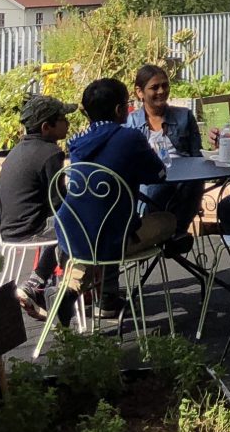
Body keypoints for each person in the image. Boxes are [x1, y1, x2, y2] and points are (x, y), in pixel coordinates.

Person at [56, 78, 184, 316]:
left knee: (102, 224)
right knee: (166, 220)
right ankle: (179, 249)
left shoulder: (76, 143)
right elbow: (157, 174)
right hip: (115, 236)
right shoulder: (130, 138)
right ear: (119, 110)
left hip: (72, 231)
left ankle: (77, 289)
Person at [0, 93, 75, 319]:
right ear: (46, 127)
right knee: (74, 227)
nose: (68, 123)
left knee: (62, 225)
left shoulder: (18, 150)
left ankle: (34, 285)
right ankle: (50, 288)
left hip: (6, 227)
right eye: (62, 118)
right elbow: (59, 202)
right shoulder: (51, 153)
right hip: (29, 229)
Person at [127, 63, 202, 160]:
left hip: (183, 173)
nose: (161, 91)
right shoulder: (129, 123)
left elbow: (197, 157)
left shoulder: (185, 116)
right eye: (154, 87)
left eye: (165, 85)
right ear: (140, 92)